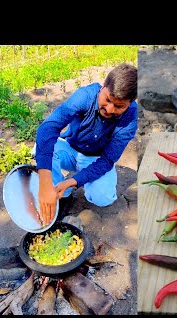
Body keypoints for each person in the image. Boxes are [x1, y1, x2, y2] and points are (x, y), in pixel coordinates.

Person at [34, 63, 138, 225]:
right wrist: (45, 183)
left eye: (119, 106)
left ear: (130, 103)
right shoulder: (85, 96)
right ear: (103, 86)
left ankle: (67, 185)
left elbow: (106, 161)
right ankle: (58, 193)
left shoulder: (130, 117)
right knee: (41, 147)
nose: (110, 109)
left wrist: (72, 181)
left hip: (95, 159)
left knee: (102, 198)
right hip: (70, 150)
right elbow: (48, 128)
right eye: (108, 100)